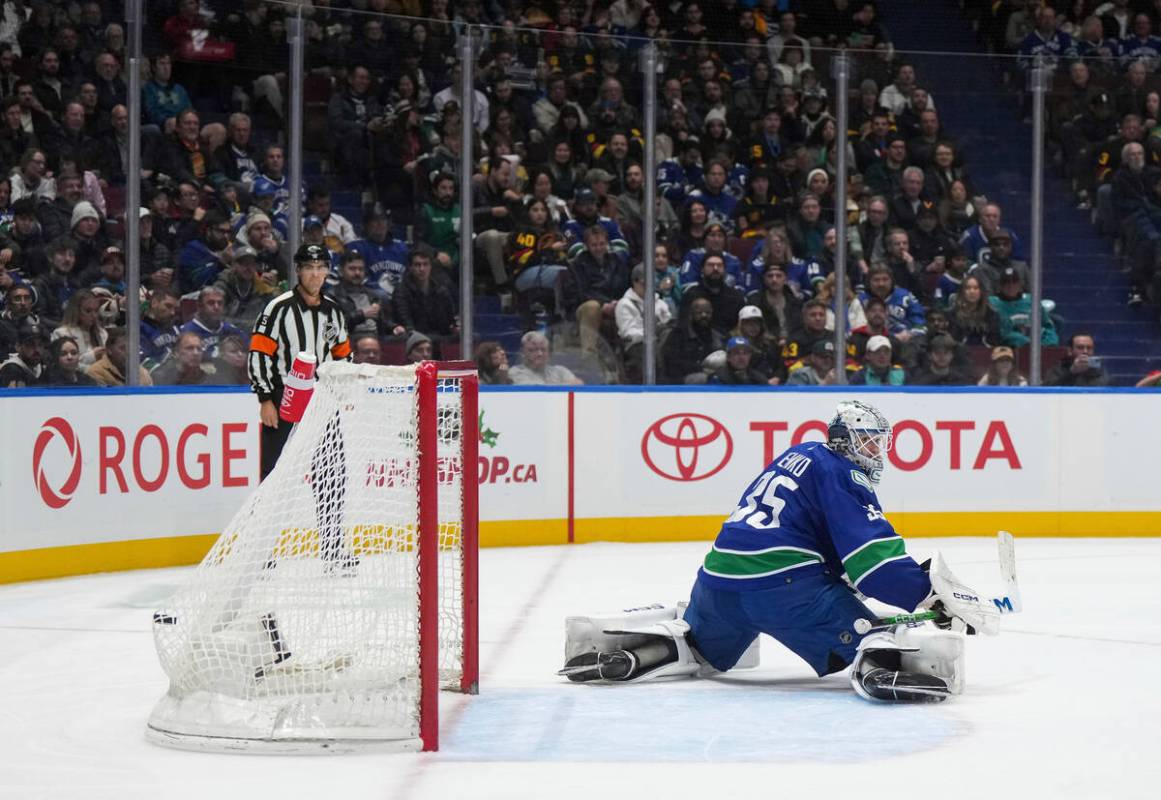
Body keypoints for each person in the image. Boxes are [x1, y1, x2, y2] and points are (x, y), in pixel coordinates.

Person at [562, 400, 979, 703]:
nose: (875, 450)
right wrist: (928, 594)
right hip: (786, 592)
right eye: (867, 442)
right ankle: (880, 670)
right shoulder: (844, 471)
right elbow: (875, 561)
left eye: (878, 442)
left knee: (703, 650)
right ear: (843, 440)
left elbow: (814, 539)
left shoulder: (797, 454)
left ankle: (641, 653)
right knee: (874, 635)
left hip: (716, 586)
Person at [248, 244, 352, 481]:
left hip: (322, 399)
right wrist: (265, 399)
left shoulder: (334, 311)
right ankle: (268, 519)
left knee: (331, 473)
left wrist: (341, 395)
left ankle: (331, 520)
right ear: (298, 270)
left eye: (320, 267)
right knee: (276, 472)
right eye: (308, 268)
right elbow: (259, 353)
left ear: (327, 271)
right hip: (284, 398)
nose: (315, 274)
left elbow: (343, 355)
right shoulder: (278, 308)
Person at [508, 330, 584, 385]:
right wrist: (568, 385)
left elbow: (579, 385)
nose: (540, 354)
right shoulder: (515, 372)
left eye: (543, 349)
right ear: (523, 352)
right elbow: (537, 391)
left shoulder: (560, 371)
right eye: (533, 350)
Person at [85, 326, 152, 386]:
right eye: (122, 348)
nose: (128, 352)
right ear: (109, 350)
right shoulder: (96, 372)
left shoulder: (142, 372)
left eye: (131, 348)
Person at [1045, 332, 1110, 386]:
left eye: (1089, 348)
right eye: (1080, 347)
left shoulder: (1099, 370)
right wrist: (1071, 373)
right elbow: (1047, 392)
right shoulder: (1059, 368)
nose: (1085, 351)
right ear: (1070, 351)